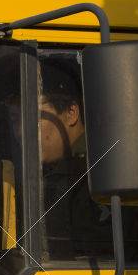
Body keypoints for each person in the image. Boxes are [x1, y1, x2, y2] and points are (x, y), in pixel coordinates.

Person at [40, 59, 110, 259]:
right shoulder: (57, 170)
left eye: (32, 117)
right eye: (15, 120)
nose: (21, 132)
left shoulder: (97, 172)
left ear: (71, 113)